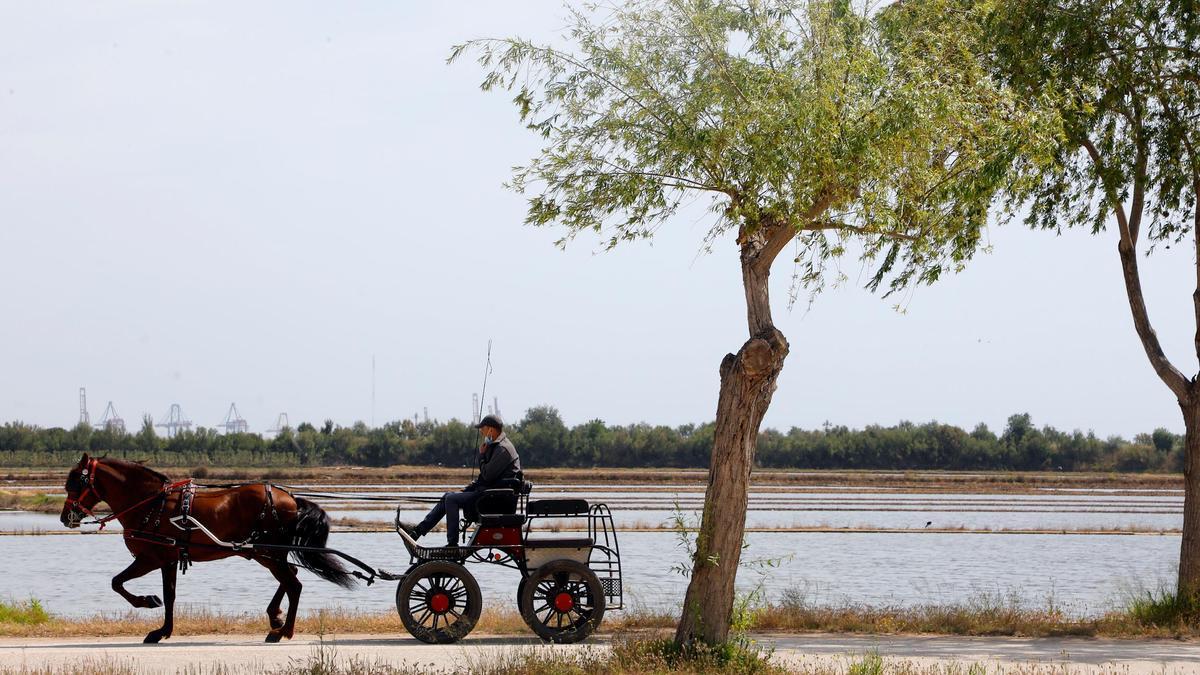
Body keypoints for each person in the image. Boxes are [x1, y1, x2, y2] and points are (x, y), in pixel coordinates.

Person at [399, 414, 521, 547]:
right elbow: (487, 476)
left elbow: (487, 475)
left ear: (491, 430)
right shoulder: (497, 446)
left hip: (494, 499)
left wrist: (481, 455)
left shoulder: (503, 449)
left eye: (483, 428)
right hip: (489, 493)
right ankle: (417, 532)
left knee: (452, 500)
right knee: (448, 496)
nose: (481, 432)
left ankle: (452, 544)